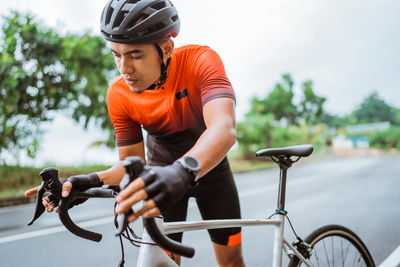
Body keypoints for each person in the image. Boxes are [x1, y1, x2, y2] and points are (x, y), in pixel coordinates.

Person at [25, 0, 245, 266]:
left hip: (211, 175)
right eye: (116, 54)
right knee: (162, 264)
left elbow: (224, 128)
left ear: (166, 48)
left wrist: (181, 171)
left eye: (135, 55)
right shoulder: (119, 94)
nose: (124, 68)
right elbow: (129, 165)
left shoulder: (200, 60)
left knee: (230, 262)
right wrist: (91, 180)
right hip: (158, 179)